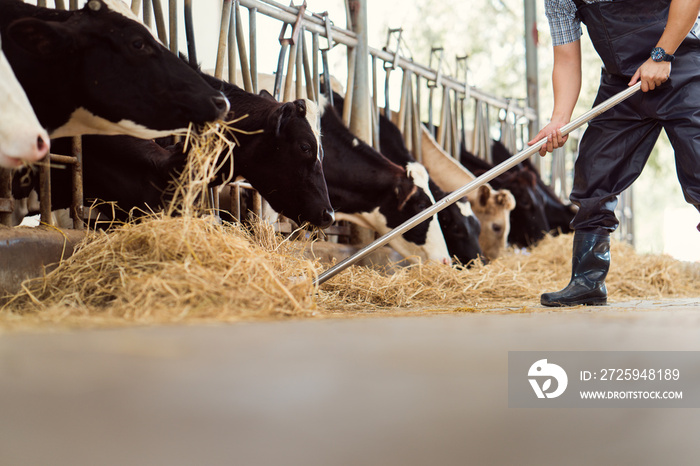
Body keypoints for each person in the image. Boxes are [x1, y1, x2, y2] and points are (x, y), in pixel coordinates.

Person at [529, 0, 700, 307]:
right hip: (624, 84)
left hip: (684, 67)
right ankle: (587, 281)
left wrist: (661, 55)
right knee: (594, 171)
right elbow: (567, 59)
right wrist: (559, 119)